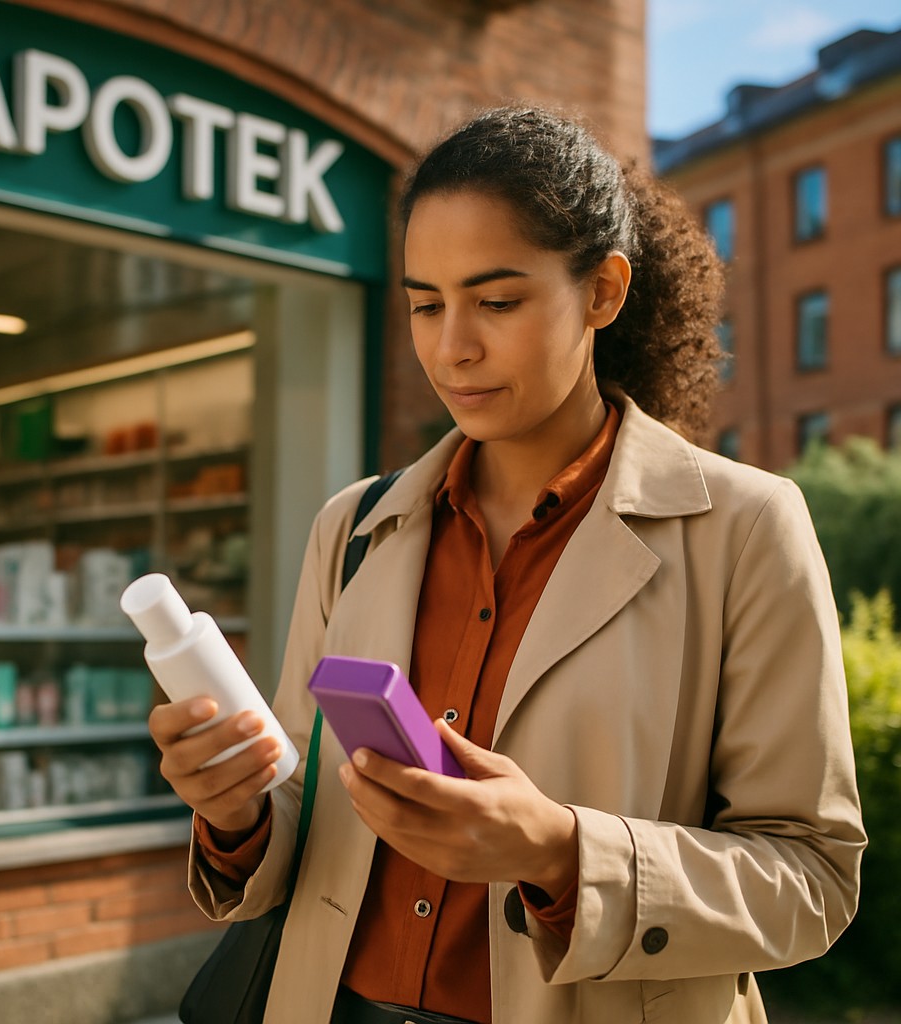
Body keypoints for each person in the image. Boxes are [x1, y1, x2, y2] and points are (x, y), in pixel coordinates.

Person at [148, 107, 866, 1024]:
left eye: (496, 302)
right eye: (424, 304)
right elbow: (303, 814)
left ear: (604, 292)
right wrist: (236, 812)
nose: (453, 347)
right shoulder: (354, 526)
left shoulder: (746, 528)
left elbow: (811, 880)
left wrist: (563, 853)